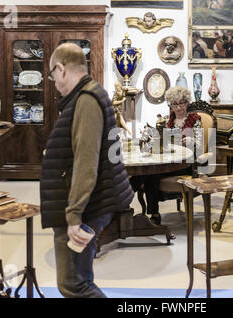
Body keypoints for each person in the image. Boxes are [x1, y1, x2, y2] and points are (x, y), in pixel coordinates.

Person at [40, 43, 134, 298]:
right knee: (77, 280)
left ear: (60, 69)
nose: (53, 83)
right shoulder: (88, 95)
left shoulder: (86, 100)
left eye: (51, 76)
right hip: (89, 204)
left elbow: (86, 162)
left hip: (86, 208)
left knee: (74, 284)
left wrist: (73, 215)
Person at [130, 87, 203, 225]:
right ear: (170, 105)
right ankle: (151, 212)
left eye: (182, 103)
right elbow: (163, 142)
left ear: (187, 103)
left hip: (186, 164)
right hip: (170, 160)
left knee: (151, 173)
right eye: (175, 104)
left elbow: (199, 145)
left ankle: (125, 199)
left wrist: (191, 141)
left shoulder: (194, 119)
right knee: (149, 170)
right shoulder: (170, 120)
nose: (179, 107)